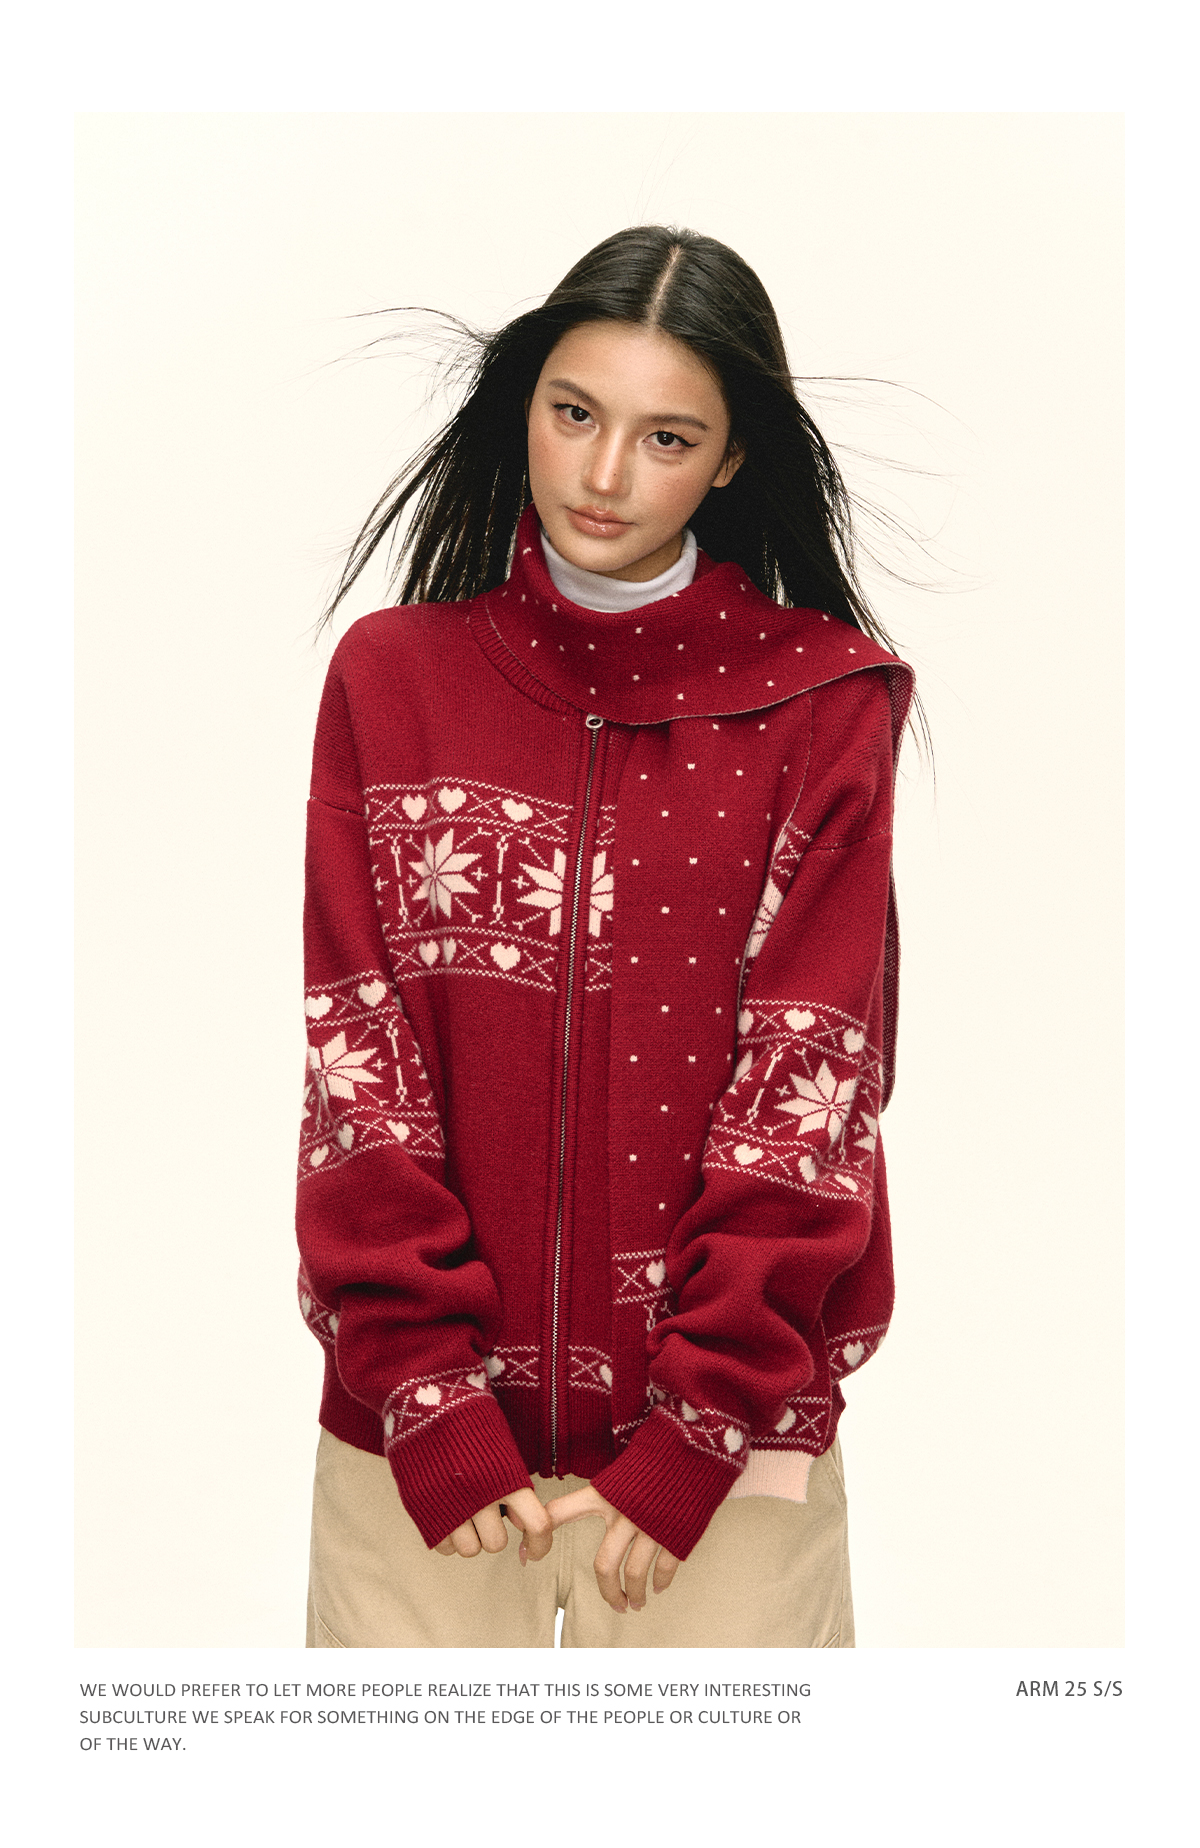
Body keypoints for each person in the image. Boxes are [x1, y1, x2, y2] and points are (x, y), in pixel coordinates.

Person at [296, 224, 915, 1649]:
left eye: (666, 437)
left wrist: (699, 1431)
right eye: (574, 413)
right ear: (525, 403)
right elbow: (355, 1058)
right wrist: (428, 1396)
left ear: (733, 459)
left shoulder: (821, 708)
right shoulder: (395, 680)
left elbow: (812, 1090)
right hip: (422, 1454)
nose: (604, 473)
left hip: (728, 1468)